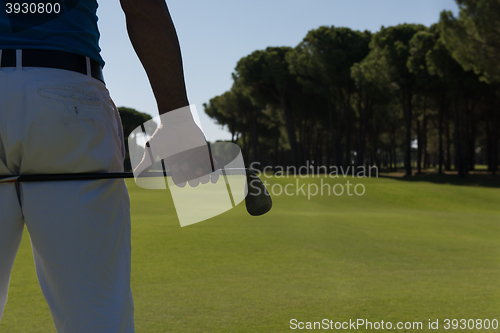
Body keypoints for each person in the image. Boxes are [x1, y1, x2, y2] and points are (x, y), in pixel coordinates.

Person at [0, 1, 203, 332]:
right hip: (67, 94)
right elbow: (144, 10)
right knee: (95, 317)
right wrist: (177, 120)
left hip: (67, 94)